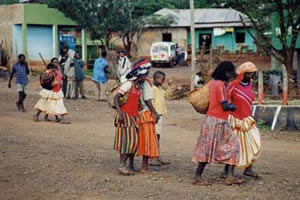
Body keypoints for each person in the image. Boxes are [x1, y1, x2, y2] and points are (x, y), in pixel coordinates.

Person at [192, 61, 243, 186]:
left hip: (212, 120)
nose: (231, 75)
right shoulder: (220, 85)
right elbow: (224, 105)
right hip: (217, 121)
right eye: (231, 73)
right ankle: (226, 176)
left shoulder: (213, 83)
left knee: (207, 149)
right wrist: (234, 107)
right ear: (226, 72)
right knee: (234, 146)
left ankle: (199, 176)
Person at [225, 62, 261, 178]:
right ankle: (229, 172)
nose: (252, 76)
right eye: (250, 74)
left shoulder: (249, 84)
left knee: (253, 143)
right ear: (243, 74)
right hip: (236, 120)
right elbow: (225, 100)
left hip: (247, 119)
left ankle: (248, 168)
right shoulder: (233, 85)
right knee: (236, 146)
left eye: (253, 74)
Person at [113, 65, 148, 175]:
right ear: (139, 76)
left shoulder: (136, 86)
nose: (145, 78)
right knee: (128, 142)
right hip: (126, 116)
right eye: (144, 76)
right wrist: (120, 112)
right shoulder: (128, 84)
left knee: (132, 142)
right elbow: (116, 97)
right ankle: (122, 165)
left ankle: (127, 165)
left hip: (133, 116)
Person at [137, 58, 160, 173]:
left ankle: (131, 164)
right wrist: (155, 113)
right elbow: (148, 100)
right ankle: (144, 166)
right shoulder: (146, 83)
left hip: (136, 114)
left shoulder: (133, 82)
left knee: (138, 140)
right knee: (147, 140)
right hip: (145, 114)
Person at [150, 71, 170, 166]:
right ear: (156, 79)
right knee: (154, 136)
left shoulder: (160, 89)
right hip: (155, 116)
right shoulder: (152, 89)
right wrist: (154, 113)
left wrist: (170, 86)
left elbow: (167, 95)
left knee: (157, 136)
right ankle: (152, 157)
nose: (163, 82)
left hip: (160, 115)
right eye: (162, 80)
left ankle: (156, 155)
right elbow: (150, 102)